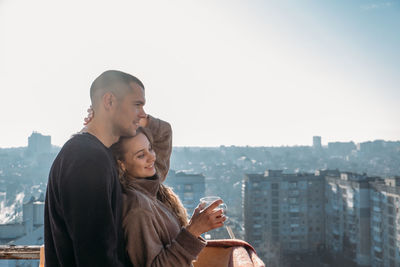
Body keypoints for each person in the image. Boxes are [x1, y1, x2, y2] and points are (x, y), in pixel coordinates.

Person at [44, 70, 147, 266]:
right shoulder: (87, 159)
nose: (143, 115)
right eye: (137, 105)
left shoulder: (91, 153)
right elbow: (96, 257)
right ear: (109, 101)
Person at [110, 119, 226, 267]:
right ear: (122, 164)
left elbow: (164, 132)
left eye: (150, 148)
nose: (152, 157)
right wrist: (193, 231)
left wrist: (135, 116)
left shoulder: (150, 184)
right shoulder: (138, 209)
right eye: (141, 155)